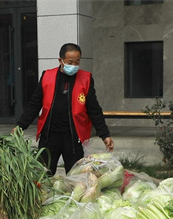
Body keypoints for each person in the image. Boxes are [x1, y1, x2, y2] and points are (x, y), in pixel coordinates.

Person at [15, 43, 114, 175]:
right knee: (42, 175)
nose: (74, 65)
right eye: (70, 62)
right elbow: (34, 104)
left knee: (76, 176)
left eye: (77, 62)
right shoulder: (47, 77)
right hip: (49, 136)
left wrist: (104, 134)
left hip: (73, 138)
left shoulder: (86, 79)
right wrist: (21, 125)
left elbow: (94, 109)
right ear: (60, 60)